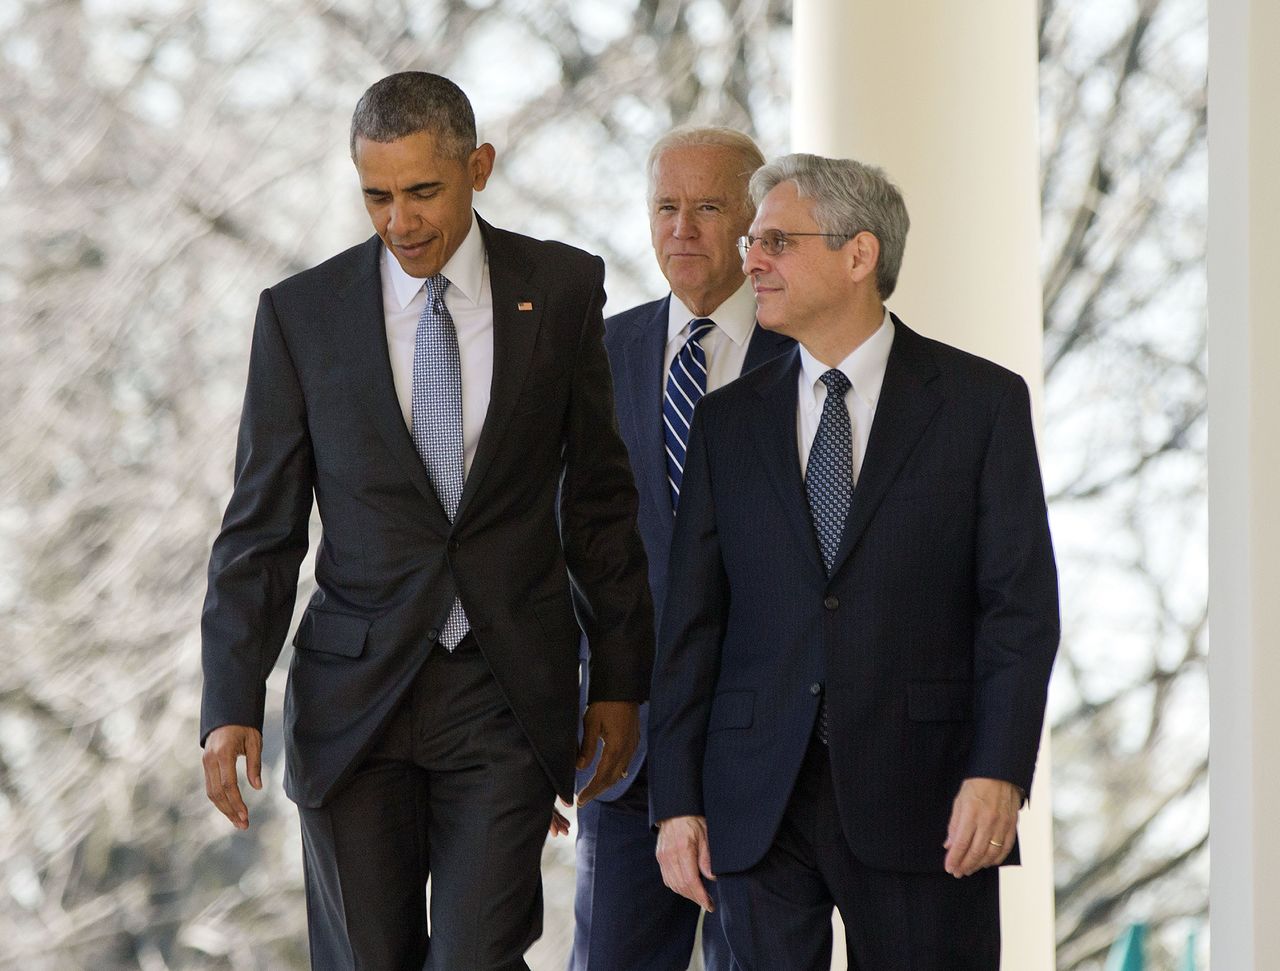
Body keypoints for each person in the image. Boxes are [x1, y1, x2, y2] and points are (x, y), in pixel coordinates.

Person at [199, 72, 654, 971]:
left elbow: (599, 500)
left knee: (478, 957)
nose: (399, 221)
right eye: (376, 195)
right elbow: (262, 526)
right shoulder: (301, 317)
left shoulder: (561, 290)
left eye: (421, 192)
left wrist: (618, 676)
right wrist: (229, 699)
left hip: (503, 692)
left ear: (477, 167)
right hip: (354, 699)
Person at [648, 153, 1059, 970]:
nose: (749, 259)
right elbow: (693, 621)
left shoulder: (981, 404)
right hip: (757, 796)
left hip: (928, 798)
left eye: (776, 241)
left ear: (859, 255)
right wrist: (676, 801)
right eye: (751, 242)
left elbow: (1019, 611)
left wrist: (1000, 772)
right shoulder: (726, 423)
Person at [569, 128, 791, 971]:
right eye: (667, 207)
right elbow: (558, 549)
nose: (683, 229)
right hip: (623, 755)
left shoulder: (806, 359)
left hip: (763, 761)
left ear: (753, 224)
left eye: (708, 208)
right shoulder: (593, 355)